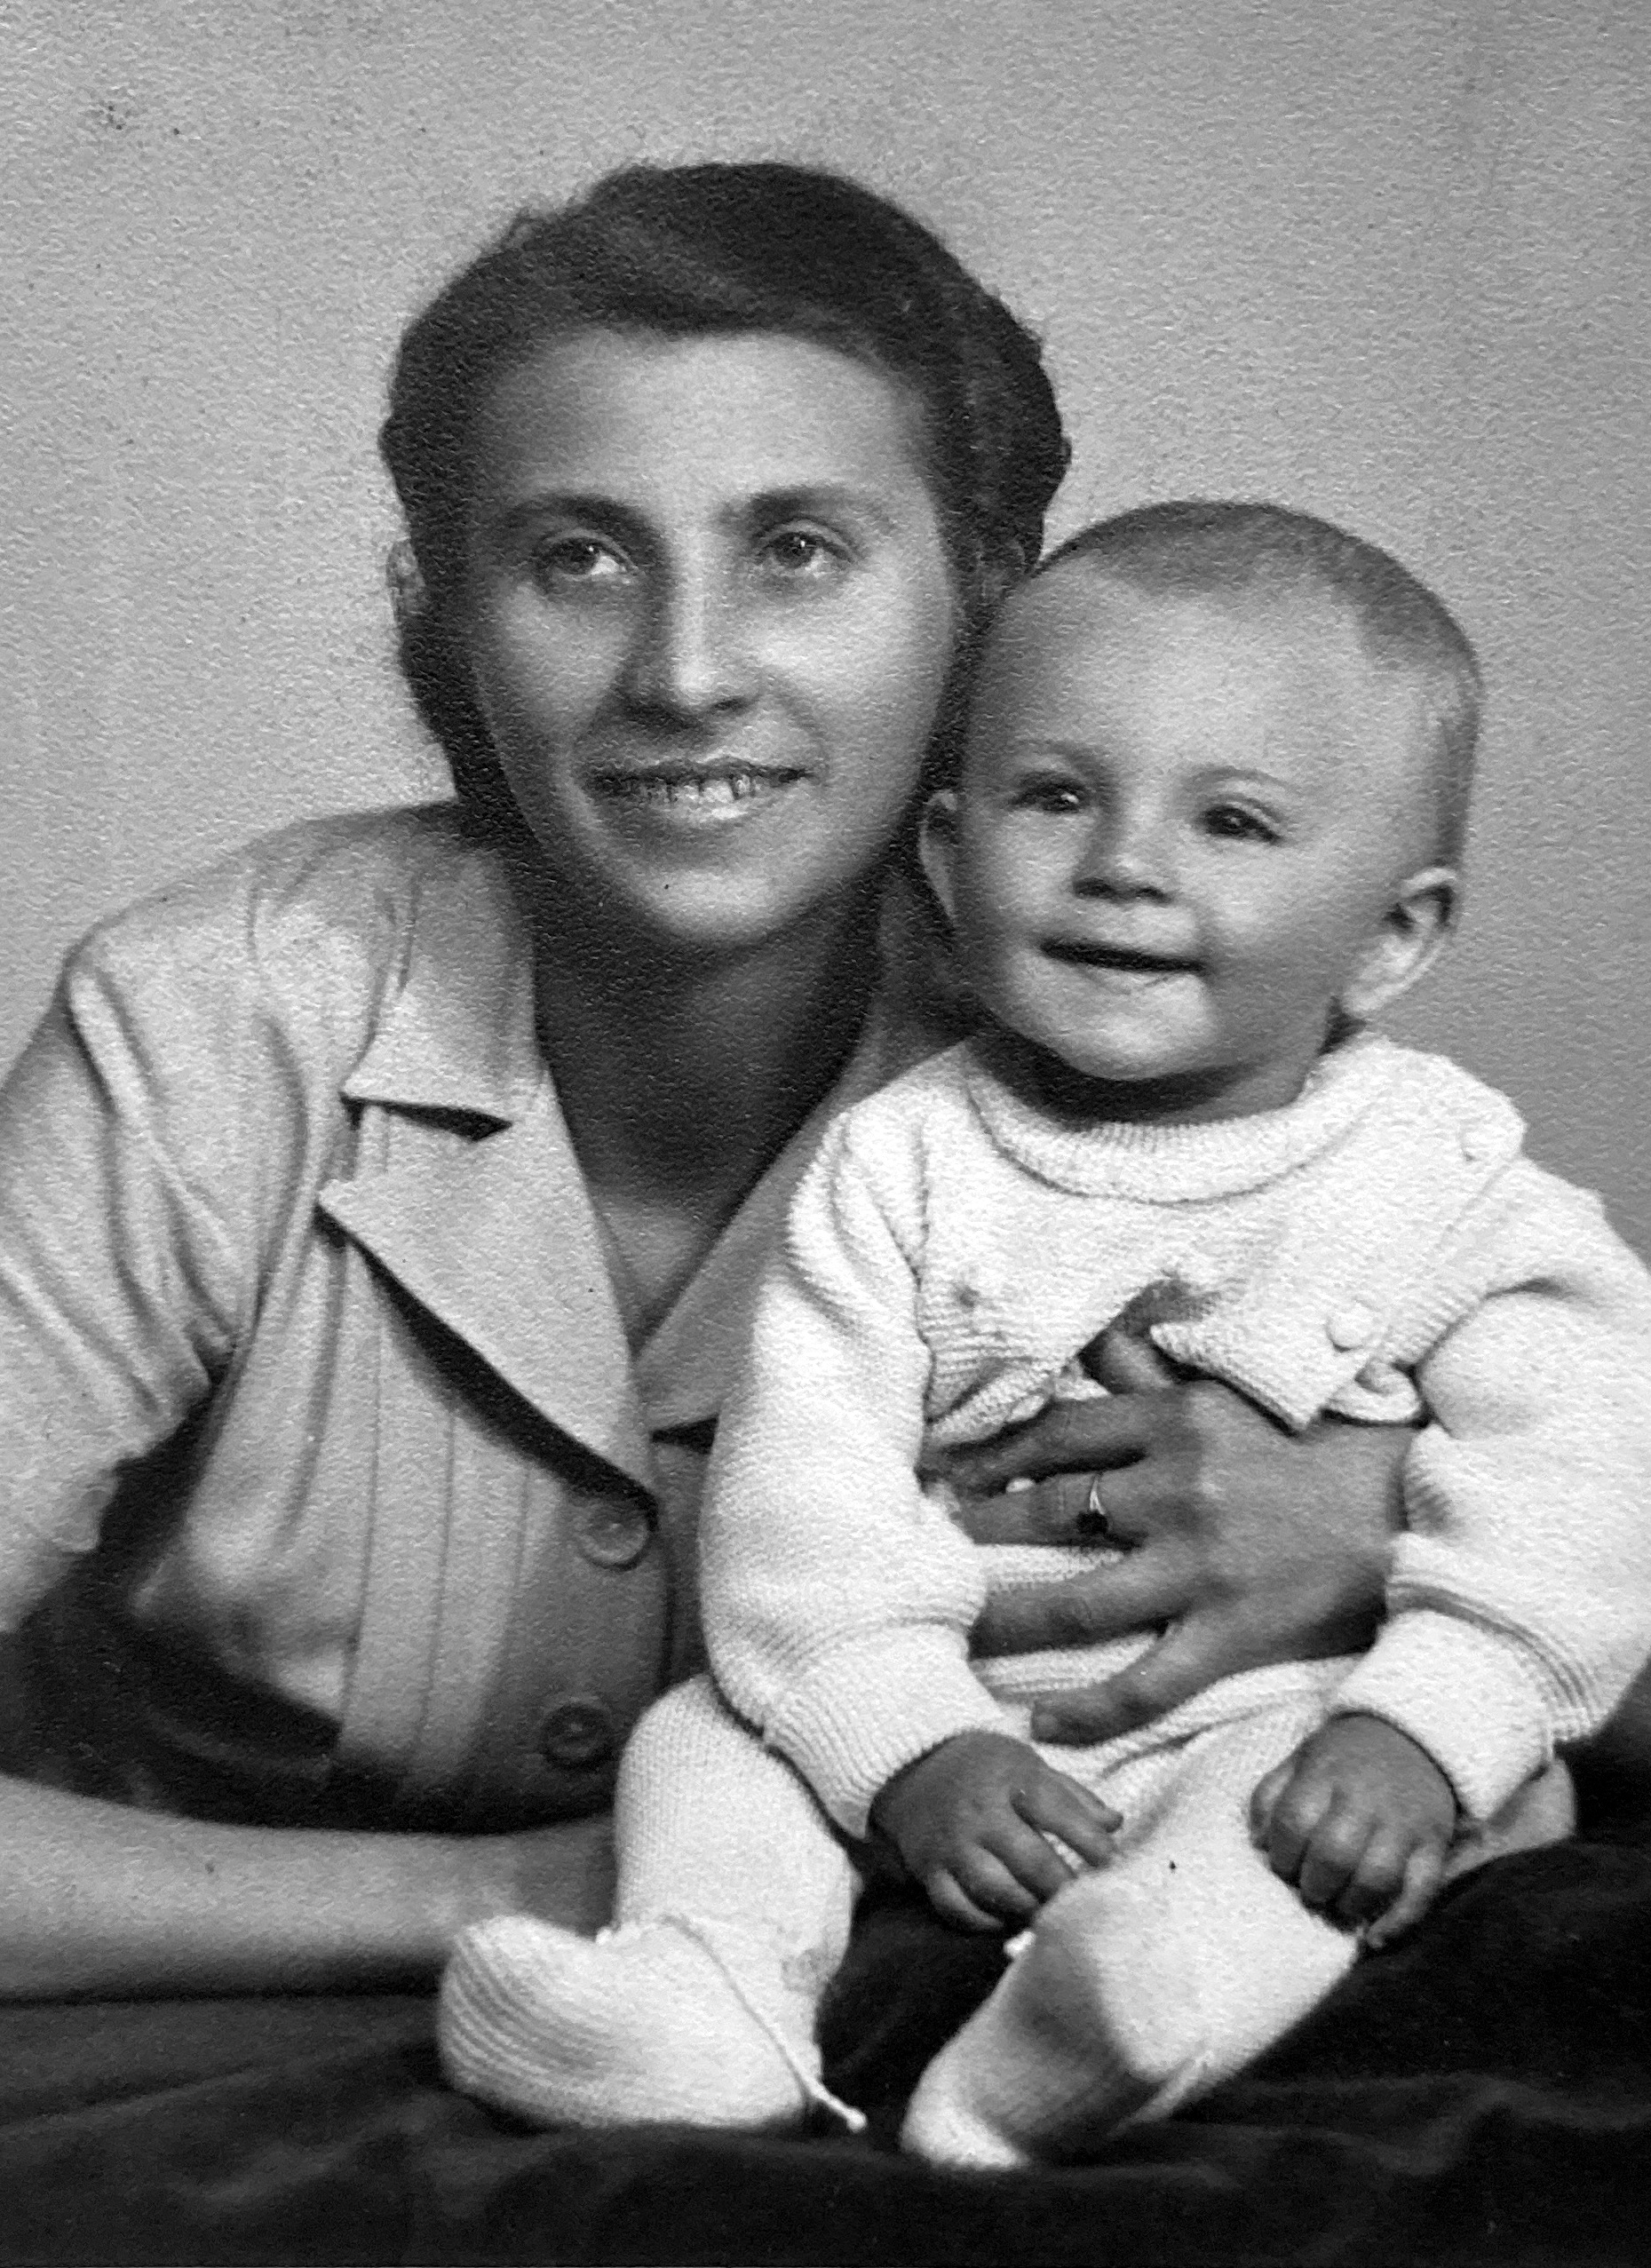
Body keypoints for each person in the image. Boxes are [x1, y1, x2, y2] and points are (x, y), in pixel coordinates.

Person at [0, 168, 1405, 2003]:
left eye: (797, 550)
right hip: (200, 2059)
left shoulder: (1153, 1019)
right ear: (448, 614)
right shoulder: (213, 1022)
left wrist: (1386, 1528)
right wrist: (531, 1890)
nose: (683, 672)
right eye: (577, 558)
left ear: (984, 599)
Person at [437, 503, 1651, 2164]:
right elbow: (804, 1505)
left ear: (1392, 937)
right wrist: (911, 1745)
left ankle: (1114, 2019)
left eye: (1233, 821)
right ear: (950, 861)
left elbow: (1586, 1491)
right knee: (707, 1737)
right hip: (958, 1706)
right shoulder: (901, 1162)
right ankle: (703, 2010)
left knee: (1394, 1813)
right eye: (1058, 797)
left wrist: (1426, 1722)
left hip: (1288, 1711)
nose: (1125, 864)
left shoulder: (1452, 1182)